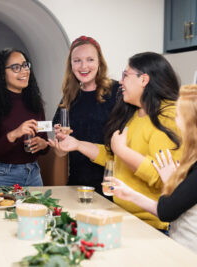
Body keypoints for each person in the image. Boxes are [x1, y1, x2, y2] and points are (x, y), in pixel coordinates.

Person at [50, 52, 183, 231]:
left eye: (125, 75)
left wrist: (122, 151)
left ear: (144, 80)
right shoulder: (134, 113)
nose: (120, 82)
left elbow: (162, 178)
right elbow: (117, 159)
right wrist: (78, 145)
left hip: (150, 226)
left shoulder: (168, 116)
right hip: (122, 215)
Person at [111, 84, 197, 251]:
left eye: (178, 115)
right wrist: (130, 194)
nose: (175, 120)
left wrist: (169, 181)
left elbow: (167, 211)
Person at [50, 35, 120, 196]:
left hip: (111, 186)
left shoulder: (117, 92)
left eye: (90, 60)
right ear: (71, 65)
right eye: (77, 61)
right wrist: (60, 143)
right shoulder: (68, 98)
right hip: (77, 186)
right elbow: (61, 152)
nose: (83, 66)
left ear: (99, 62)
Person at [0, 48, 49, 187]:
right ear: (2, 74)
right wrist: (16, 133)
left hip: (33, 174)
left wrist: (43, 144)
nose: (24, 71)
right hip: (1, 176)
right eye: (16, 67)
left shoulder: (35, 102)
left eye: (25, 65)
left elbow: (45, 144)